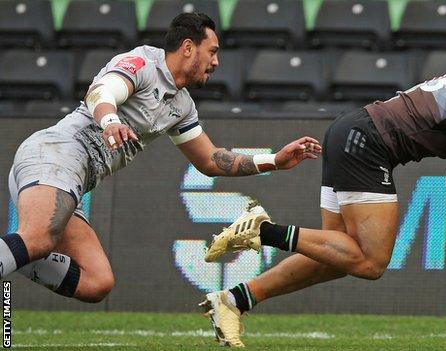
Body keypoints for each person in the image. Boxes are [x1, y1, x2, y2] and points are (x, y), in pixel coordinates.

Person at [201, 52, 446, 347]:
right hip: (368, 145)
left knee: (337, 256)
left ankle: (235, 300)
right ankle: (264, 231)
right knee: (371, 261)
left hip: (350, 131)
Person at [2, 13, 321, 304]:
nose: (217, 62)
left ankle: (11, 256)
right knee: (39, 238)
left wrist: (274, 161)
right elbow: (102, 93)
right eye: (212, 51)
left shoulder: (182, 106)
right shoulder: (142, 62)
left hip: (72, 176)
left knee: (97, 282)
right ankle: (16, 252)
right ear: (187, 47)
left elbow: (211, 160)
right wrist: (111, 121)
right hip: (56, 154)